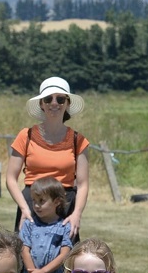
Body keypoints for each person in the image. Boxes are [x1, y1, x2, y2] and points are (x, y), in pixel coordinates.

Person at [8, 77, 91, 237]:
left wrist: (77, 215)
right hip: (32, 203)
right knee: (27, 257)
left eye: (60, 99)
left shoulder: (78, 140)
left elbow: (83, 185)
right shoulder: (26, 136)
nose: (54, 103)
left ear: (67, 104)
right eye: (48, 99)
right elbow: (11, 178)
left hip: (64, 205)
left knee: (64, 258)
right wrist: (24, 208)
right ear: (41, 104)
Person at [17, 178, 73, 273]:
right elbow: (24, 249)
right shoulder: (29, 224)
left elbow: (64, 254)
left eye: (41, 201)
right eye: (34, 201)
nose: (36, 205)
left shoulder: (64, 226)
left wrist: (42, 272)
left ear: (57, 202)